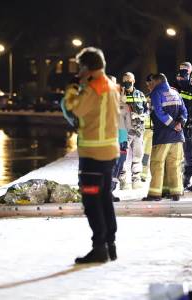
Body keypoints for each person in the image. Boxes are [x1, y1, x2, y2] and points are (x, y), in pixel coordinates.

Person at [62, 47, 120, 264]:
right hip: (109, 152)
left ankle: (99, 248)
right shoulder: (112, 86)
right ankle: (110, 244)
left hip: (93, 154)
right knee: (105, 199)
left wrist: (72, 87)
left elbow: (73, 108)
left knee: (92, 201)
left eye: (80, 67)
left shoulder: (94, 88)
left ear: (86, 68)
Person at [142, 73, 187, 201]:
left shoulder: (156, 93)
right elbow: (184, 111)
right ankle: (175, 192)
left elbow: (159, 112)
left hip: (163, 136)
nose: (151, 85)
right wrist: (180, 123)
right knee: (174, 164)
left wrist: (173, 124)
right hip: (178, 136)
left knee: (157, 163)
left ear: (157, 82)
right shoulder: (175, 92)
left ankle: (155, 194)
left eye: (152, 82)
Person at [119, 72, 147, 189]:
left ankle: (136, 178)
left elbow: (146, 110)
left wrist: (141, 116)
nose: (127, 82)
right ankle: (122, 180)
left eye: (129, 80)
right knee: (122, 156)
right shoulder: (118, 94)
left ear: (133, 81)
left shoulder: (140, 95)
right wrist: (120, 100)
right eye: (125, 80)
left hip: (138, 130)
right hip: (124, 131)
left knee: (138, 156)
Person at [173, 62, 192, 189]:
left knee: (189, 151)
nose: (183, 71)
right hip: (178, 122)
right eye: (181, 69)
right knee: (178, 152)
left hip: (190, 122)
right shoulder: (175, 84)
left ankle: (189, 175)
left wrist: (186, 83)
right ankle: (181, 176)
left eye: (186, 69)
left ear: (190, 71)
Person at [141, 73, 153, 182]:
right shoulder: (145, 97)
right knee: (144, 154)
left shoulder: (160, 96)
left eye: (150, 83)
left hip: (155, 130)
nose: (148, 85)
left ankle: (154, 174)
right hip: (145, 129)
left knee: (152, 154)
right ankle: (143, 174)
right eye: (147, 83)